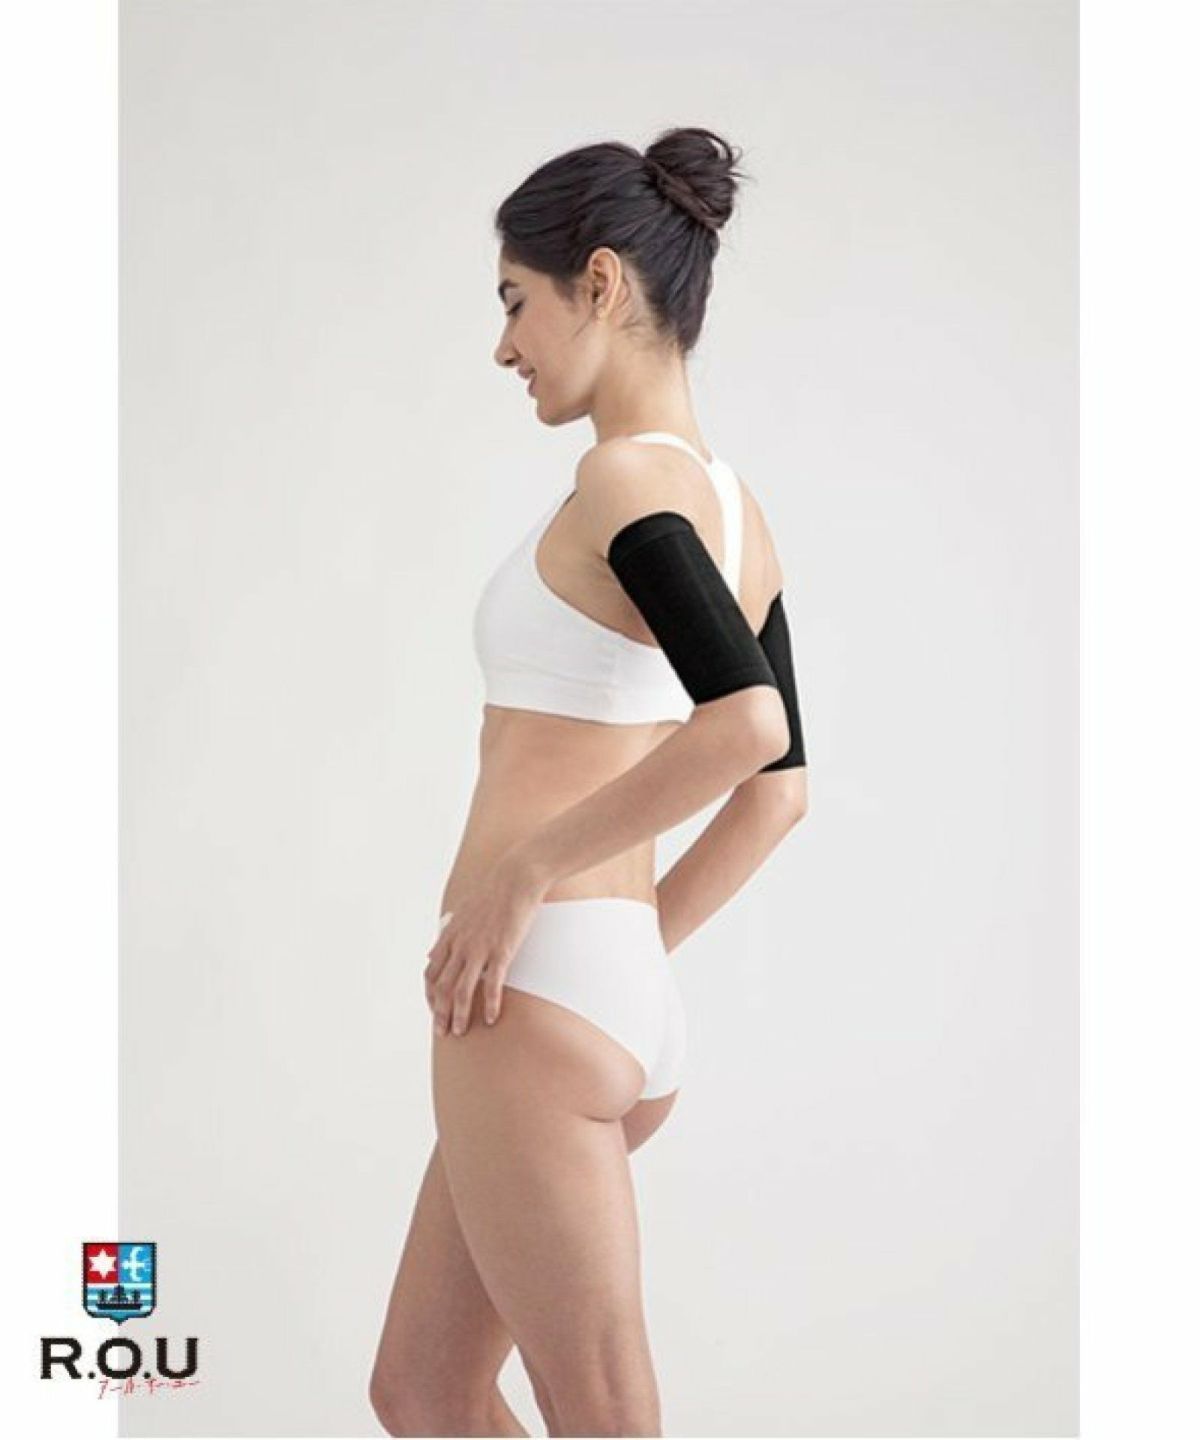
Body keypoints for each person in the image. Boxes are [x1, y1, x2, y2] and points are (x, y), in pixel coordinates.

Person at [369, 126, 808, 1438]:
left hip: (541, 990)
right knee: (425, 1390)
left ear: (600, 283)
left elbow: (746, 728)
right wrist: (624, 951)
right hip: (599, 986)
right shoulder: (743, 516)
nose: (505, 345)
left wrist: (526, 877)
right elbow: (782, 793)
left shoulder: (620, 480)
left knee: (602, 1417)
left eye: (516, 300)